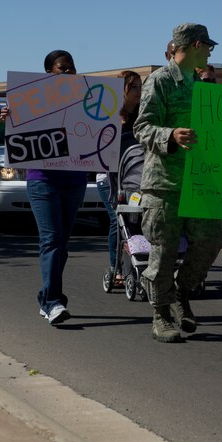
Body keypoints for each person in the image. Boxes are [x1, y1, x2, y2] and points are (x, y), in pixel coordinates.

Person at [134, 23, 222, 343]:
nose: (211, 51)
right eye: (208, 46)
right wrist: (169, 135)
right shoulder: (160, 81)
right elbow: (142, 128)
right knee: (164, 251)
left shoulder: (199, 85)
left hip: (200, 181)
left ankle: (181, 293)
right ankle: (160, 315)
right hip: (164, 182)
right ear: (196, 45)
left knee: (212, 239)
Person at [1, 50, 87, 325]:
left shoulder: (84, 99)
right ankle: (53, 303)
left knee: (62, 244)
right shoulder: (31, 102)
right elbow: (20, 131)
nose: (68, 72)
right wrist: (10, 117)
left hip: (74, 180)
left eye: (72, 68)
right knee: (51, 240)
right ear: (48, 73)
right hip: (43, 180)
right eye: (63, 68)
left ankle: (45, 296)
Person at [98, 70, 142, 285]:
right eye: (133, 87)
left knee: (136, 220)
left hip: (134, 176)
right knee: (118, 221)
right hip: (109, 178)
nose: (138, 92)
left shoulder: (143, 117)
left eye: (140, 87)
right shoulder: (106, 115)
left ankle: (136, 263)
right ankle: (116, 267)